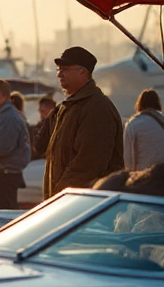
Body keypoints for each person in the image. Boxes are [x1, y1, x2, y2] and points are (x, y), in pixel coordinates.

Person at [43, 47, 123, 197]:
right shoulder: (69, 107)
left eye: (65, 69)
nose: (59, 74)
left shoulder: (96, 109)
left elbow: (88, 165)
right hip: (71, 203)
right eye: (59, 69)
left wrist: (59, 196)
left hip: (86, 206)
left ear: (83, 72)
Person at [0, 79, 32, 209]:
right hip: (0, 172)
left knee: (1, 212)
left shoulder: (8, 117)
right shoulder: (0, 115)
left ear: (5, 97)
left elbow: (1, 148)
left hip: (4, 173)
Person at [123, 89, 164, 171]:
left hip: (144, 176)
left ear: (139, 105)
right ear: (158, 104)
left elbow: (129, 159)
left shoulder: (133, 124)